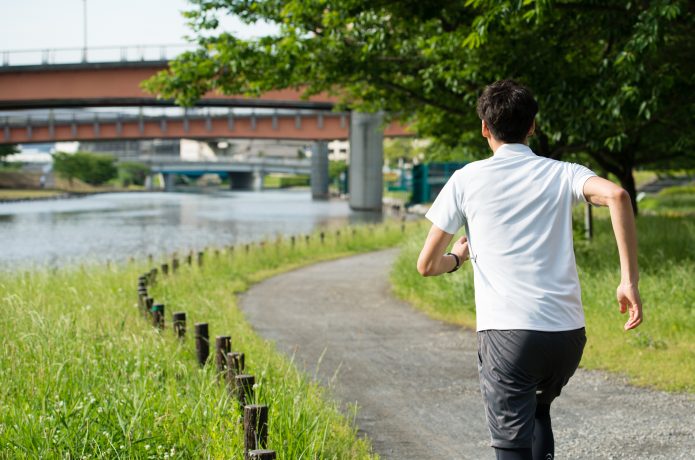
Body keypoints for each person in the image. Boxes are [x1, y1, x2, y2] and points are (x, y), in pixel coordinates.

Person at [416, 79, 643, 460]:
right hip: (566, 336)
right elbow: (617, 196)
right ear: (533, 126)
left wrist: (459, 258)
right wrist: (628, 282)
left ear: (485, 128)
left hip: (509, 336)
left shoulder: (466, 179)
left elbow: (425, 265)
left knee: (511, 444)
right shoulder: (563, 172)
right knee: (537, 409)